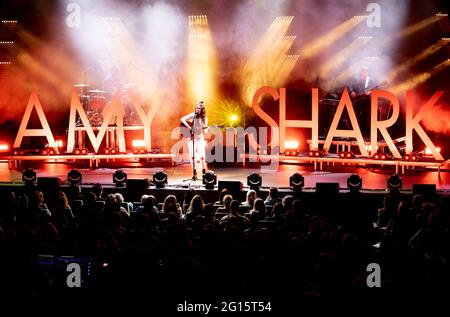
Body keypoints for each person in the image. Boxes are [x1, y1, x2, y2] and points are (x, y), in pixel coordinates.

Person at [181, 100, 209, 177]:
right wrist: (188, 127)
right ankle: (194, 171)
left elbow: (206, 130)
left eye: (199, 108)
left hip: (200, 138)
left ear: (202, 109)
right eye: (196, 108)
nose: (197, 109)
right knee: (192, 156)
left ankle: (204, 169)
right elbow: (182, 119)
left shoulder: (204, 118)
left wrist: (206, 129)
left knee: (202, 155)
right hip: (191, 138)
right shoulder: (193, 115)